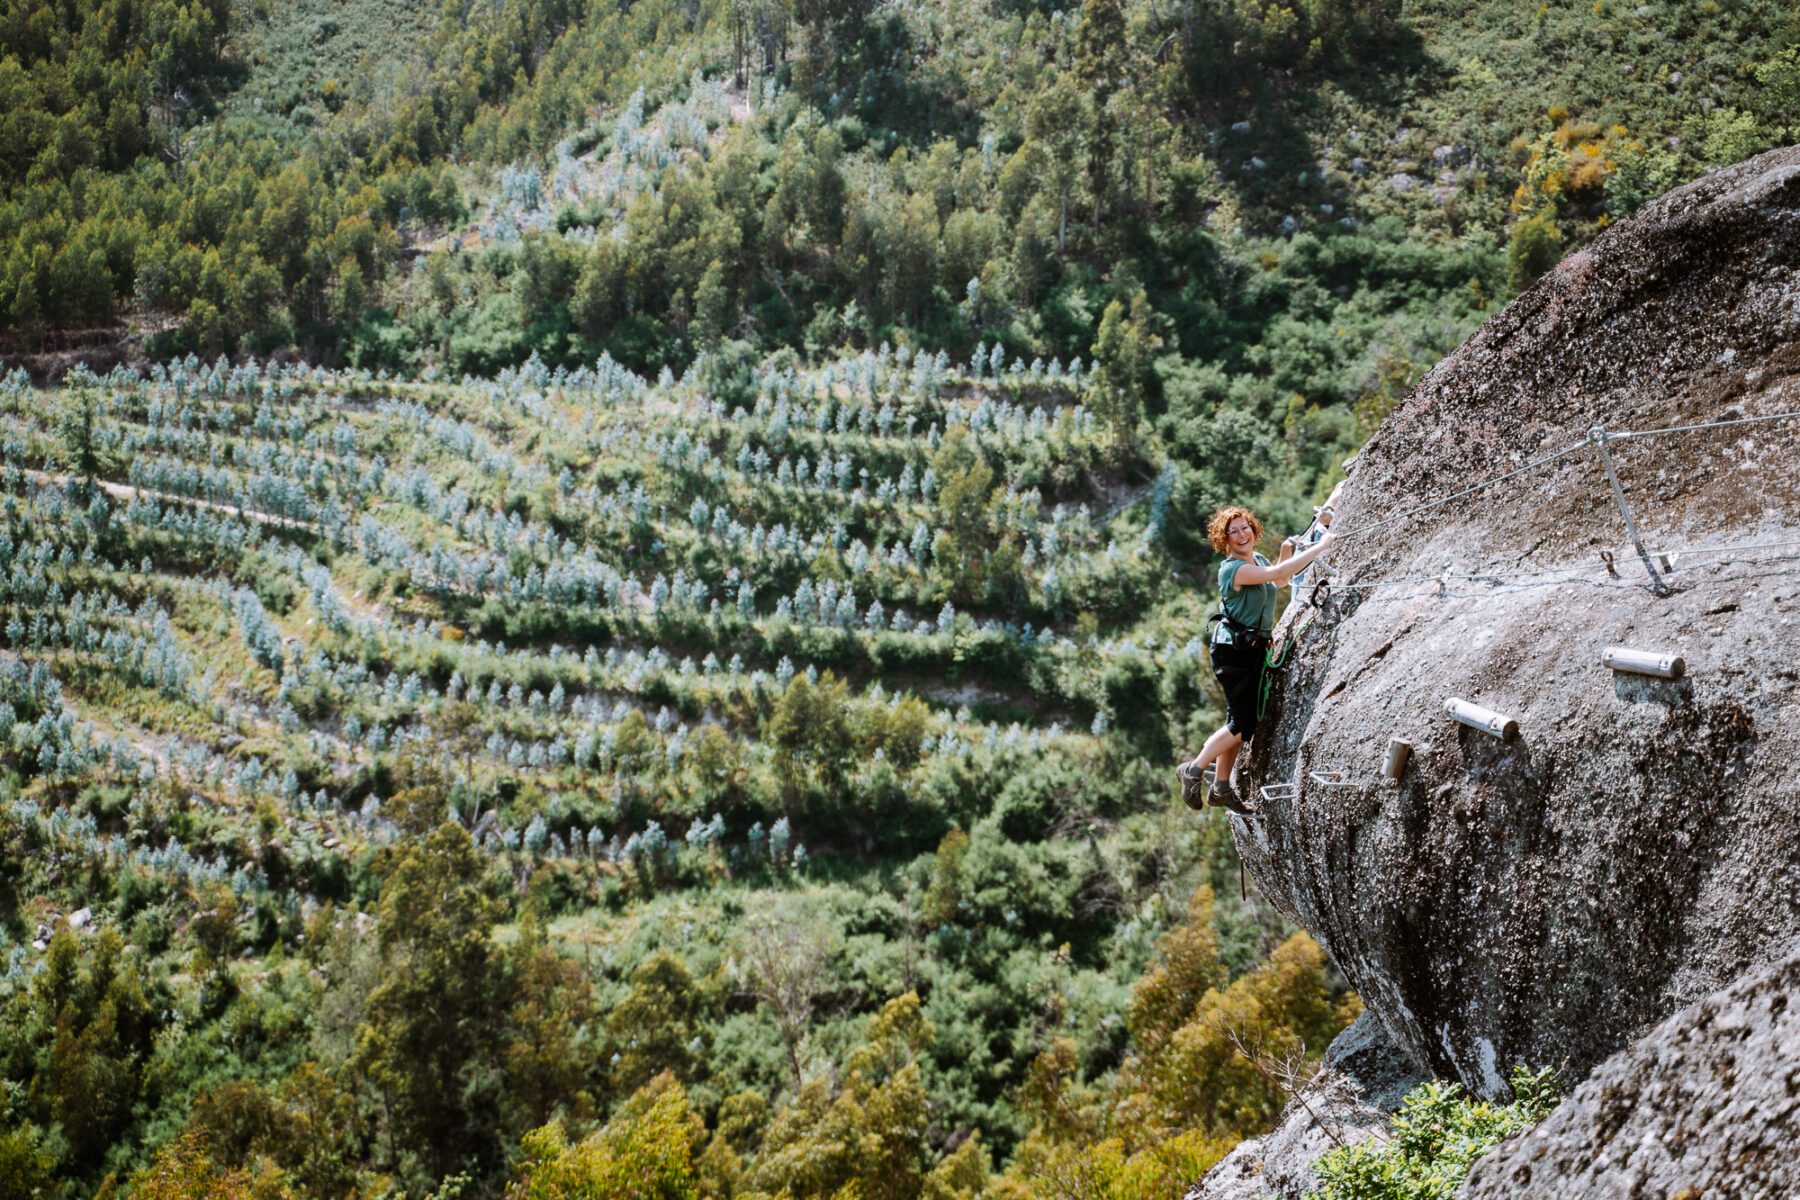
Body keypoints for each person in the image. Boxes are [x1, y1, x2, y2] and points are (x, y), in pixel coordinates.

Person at [1177, 505, 1335, 815]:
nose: (1240, 535)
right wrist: (1321, 546)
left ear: (1253, 529)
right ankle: (1193, 770)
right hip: (1233, 652)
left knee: (1237, 720)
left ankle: (1222, 787)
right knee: (1243, 722)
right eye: (1232, 531)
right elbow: (1277, 576)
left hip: (1251, 650)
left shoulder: (1258, 561)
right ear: (1225, 540)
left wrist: (1284, 553)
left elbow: (1277, 580)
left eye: (1244, 528)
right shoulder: (1232, 569)